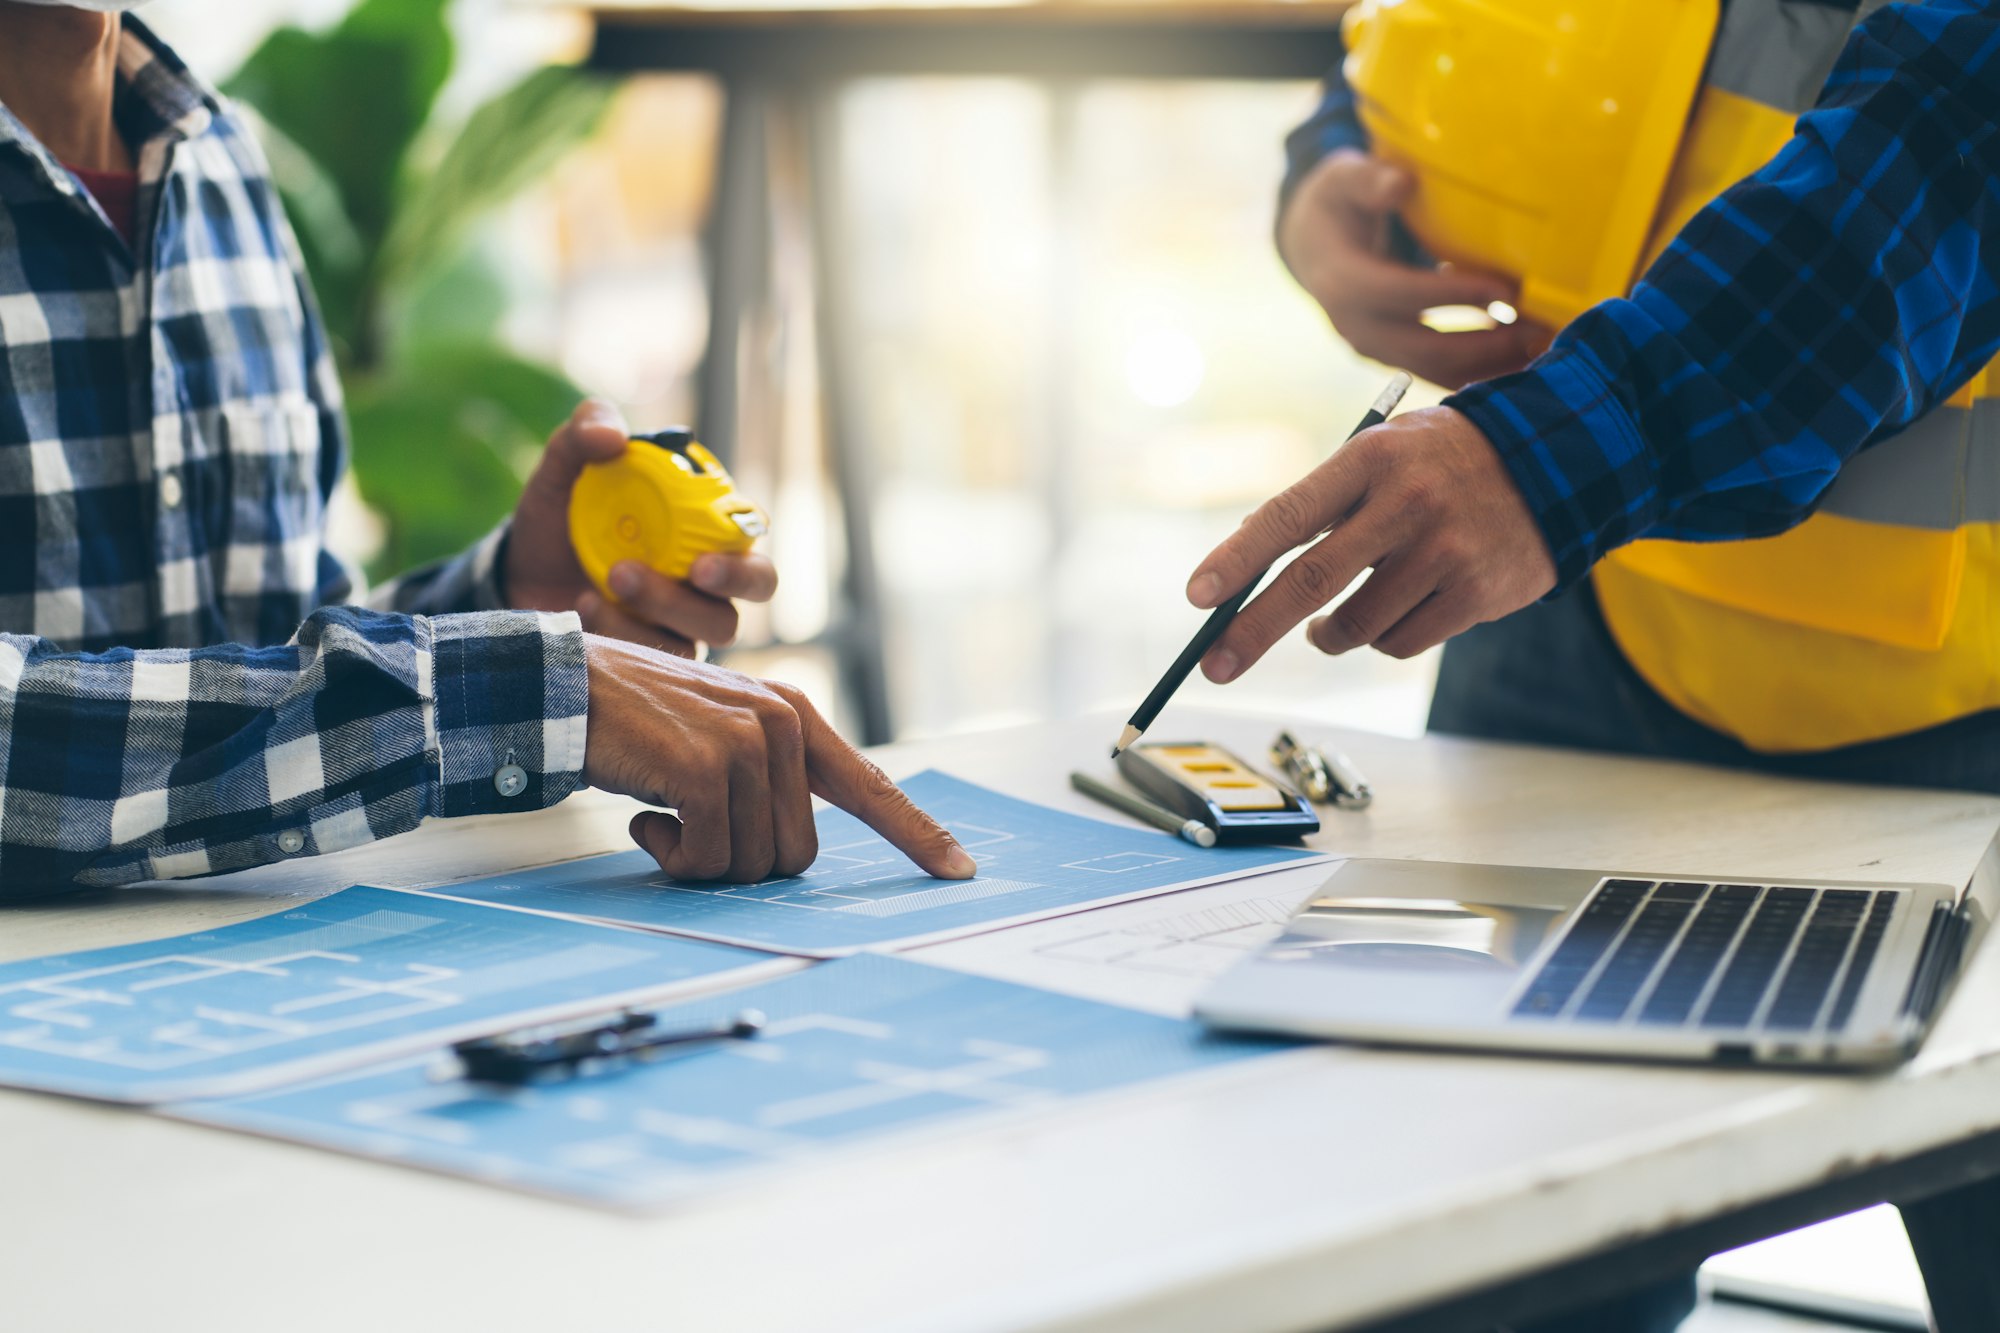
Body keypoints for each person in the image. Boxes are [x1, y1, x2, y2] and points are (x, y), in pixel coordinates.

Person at [1197, 1, 2000, 1329]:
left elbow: (1955, 136)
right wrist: (1334, 166)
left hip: (1960, 705)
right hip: (1573, 621)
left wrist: (1563, 447)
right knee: (1460, 1277)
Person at [0, 0, 977, 894]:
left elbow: (242, 668)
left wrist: (511, 603)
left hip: (234, 984)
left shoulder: (216, 157)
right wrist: (509, 691)